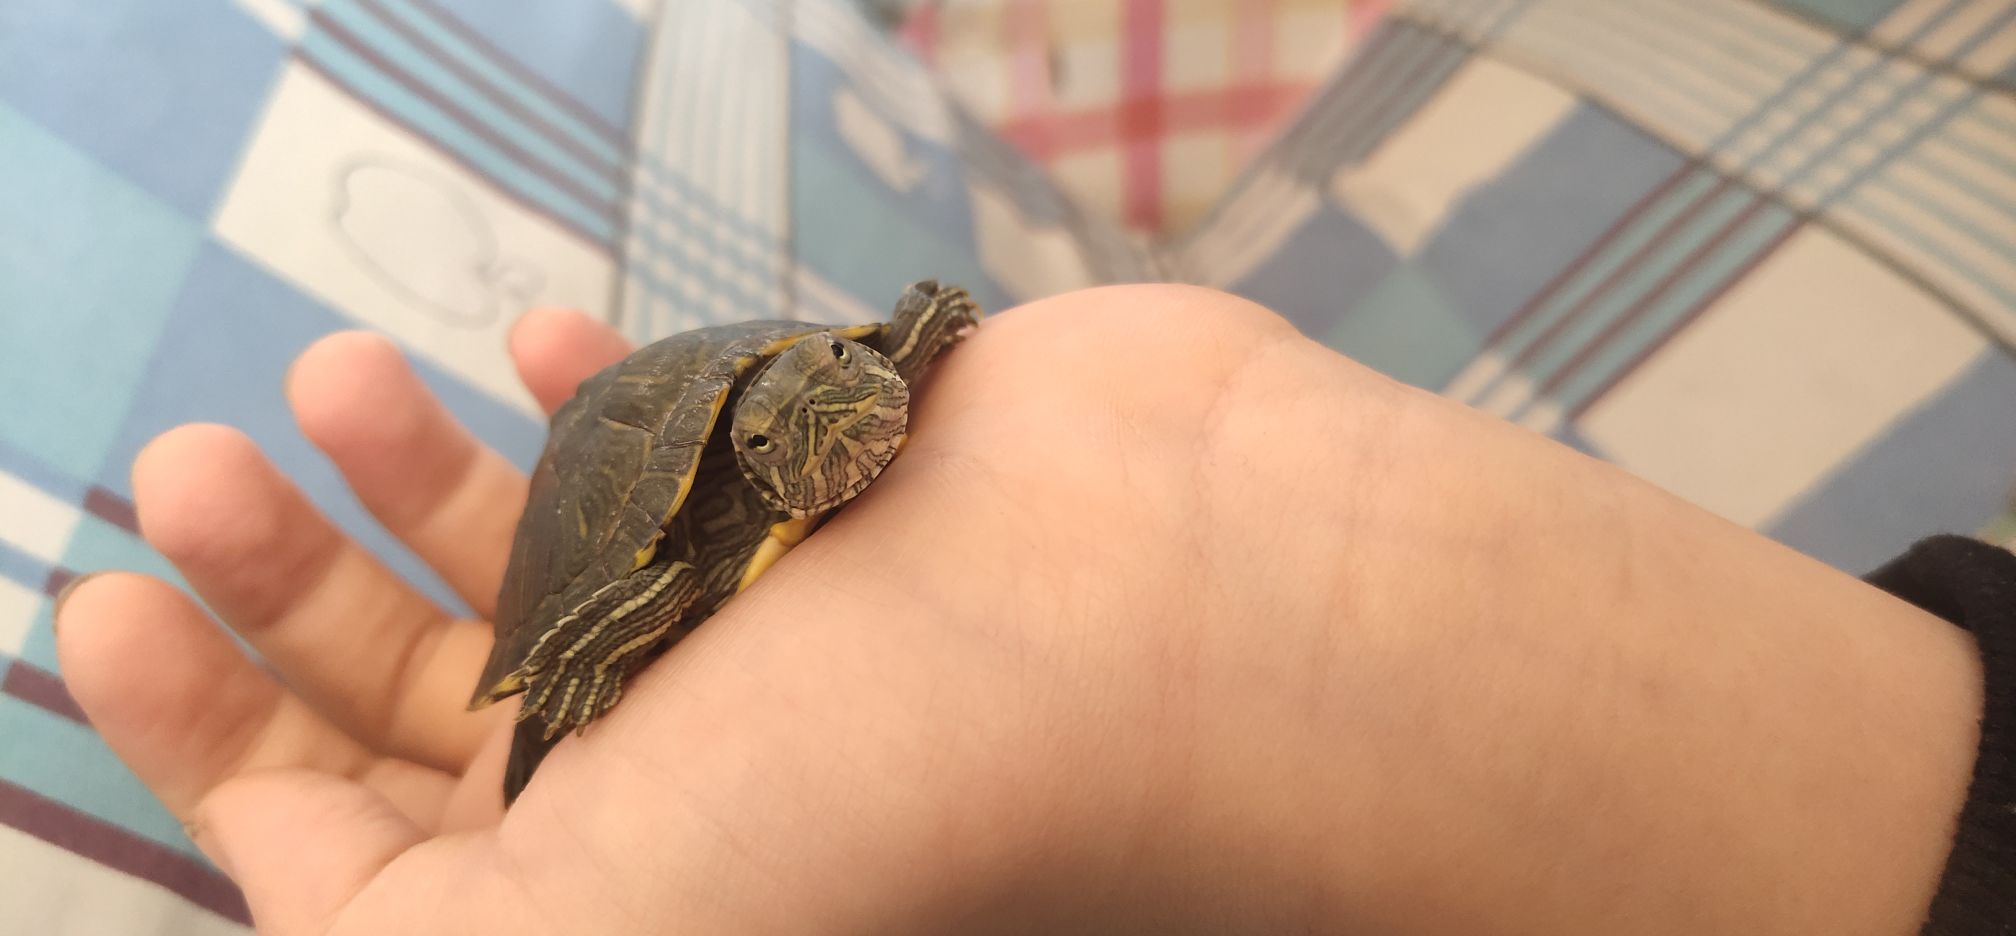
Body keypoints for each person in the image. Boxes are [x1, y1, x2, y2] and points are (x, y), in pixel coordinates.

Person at [52, 286, 2006, 933]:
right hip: (626, 487)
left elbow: (910, 344)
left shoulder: (861, 386)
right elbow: (619, 589)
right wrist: (559, 692)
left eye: (862, 394)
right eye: (827, 426)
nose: (863, 427)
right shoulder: (693, 522)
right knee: (575, 655)